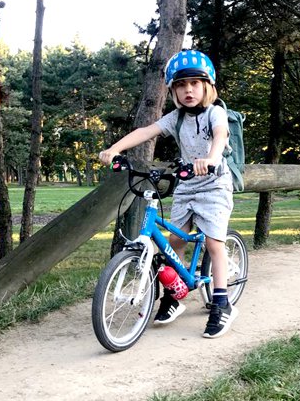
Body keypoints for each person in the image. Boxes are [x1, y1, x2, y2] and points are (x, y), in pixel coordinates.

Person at [99, 50, 237, 339]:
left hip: (213, 182)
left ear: (207, 86)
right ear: (173, 90)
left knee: (214, 242)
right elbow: (146, 131)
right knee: (174, 241)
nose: (188, 90)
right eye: (181, 85)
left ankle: (222, 303)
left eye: (195, 84)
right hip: (187, 183)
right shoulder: (175, 118)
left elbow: (220, 134)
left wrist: (211, 158)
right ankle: (175, 297)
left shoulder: (215, 112)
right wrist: (115, 149)